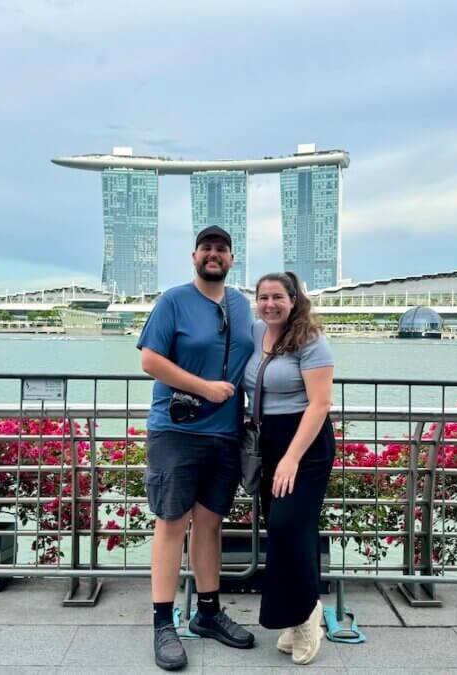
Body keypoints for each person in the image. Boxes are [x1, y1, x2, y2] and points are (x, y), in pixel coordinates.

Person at [137, 225, 255, 670]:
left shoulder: (243, 306)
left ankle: (208, 613)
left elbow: (264, 349)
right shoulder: (173, 300)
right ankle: (163, 623)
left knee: (209, 523)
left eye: (221, 249)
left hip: (224, 434)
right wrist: (203, 387)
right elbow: (150, 360)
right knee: (171, 522)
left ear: (231, 258)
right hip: (176, 431)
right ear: (193, 256)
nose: (214, 255)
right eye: (206, 248)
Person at [243, 271, 335, 666]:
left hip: (305, 446)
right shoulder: (255, 333)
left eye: (277, 297)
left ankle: (308, 614)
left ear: (294, 299)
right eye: (263, 297)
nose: (269, 304)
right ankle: (293, 614)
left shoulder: (311, 341)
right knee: (278, 530)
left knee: (288, 526)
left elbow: (320, 404)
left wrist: (292, 458)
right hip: (267, 442)